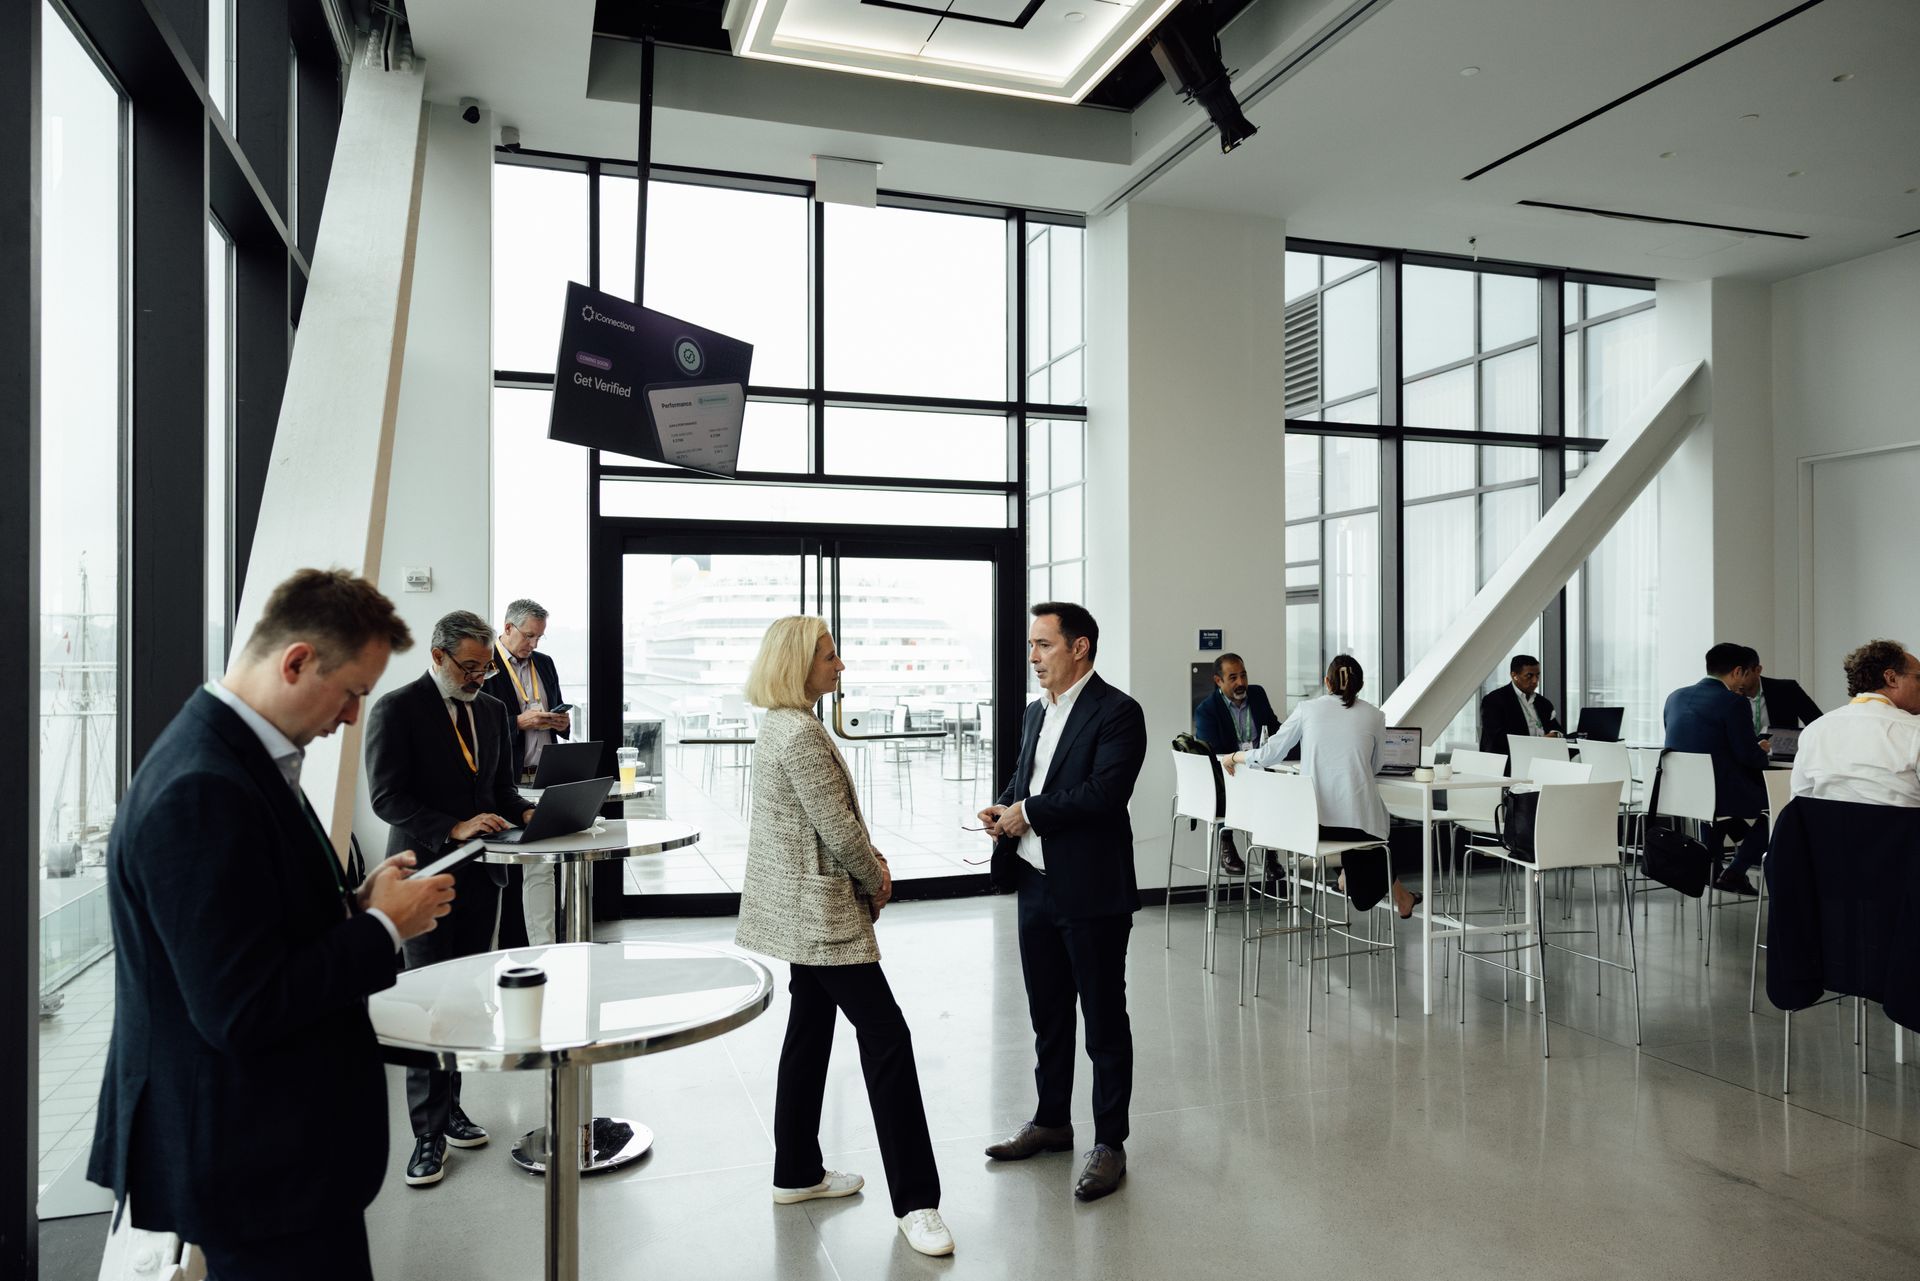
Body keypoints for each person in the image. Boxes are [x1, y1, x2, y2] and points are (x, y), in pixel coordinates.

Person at [86, 569, 456, 1281]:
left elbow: (255, 924)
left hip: (272, 1154)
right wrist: (382, 927)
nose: (352, 716)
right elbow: (242, 1006)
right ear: (296, 661)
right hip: (254, 1164)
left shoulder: (235, 756)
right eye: (350, 691)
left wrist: (354, 905)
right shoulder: (201, 787)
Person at [733, 616, 953, 1257]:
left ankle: (796, 1172)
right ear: (797, 665)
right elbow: (839, 829)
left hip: (803, 909)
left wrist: (868, 866)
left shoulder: (781, 724)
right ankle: (918, 1203)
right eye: (829, 656)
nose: (840, 664)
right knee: (888, 1039)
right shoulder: (800, 734)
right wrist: (877, 876)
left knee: (809, 1032)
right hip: (822, 916)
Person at [978, 602, 1148, 1203]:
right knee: (1048, 1015)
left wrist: (1030, 812)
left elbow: (1104, 794)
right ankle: (1052, 1121)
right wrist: (1005, 807)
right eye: (1031, 645)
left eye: (1044, 645)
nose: (1033, 656)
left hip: (1091, 890)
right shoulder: (1036, 712)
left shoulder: (1118, 712)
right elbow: (1027, 778)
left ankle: (1110, 1144)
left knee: (1103, 1022)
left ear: (1080, 647)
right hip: (1036, 885)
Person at [365, 609, 534, 1188]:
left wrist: (530, 814)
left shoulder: (491, 710)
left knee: (462, 1003)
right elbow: (387, 797)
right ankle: (428, 1134)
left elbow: (501, 790)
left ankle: (452, 1109)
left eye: (486, 668)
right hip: (423, 876)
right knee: (428, 1007)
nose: (479, 677)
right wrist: (453, 827)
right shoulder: (397, 709)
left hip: (482, 878)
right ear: (437, 656)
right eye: (470, 667)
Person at [1219, 655, 1421, 917]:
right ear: (1360, 685)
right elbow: (1375, 766)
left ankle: (1355, 877)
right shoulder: (1375, 715)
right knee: (1370, 832)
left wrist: (1234, 756)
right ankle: (1364, 882)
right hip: (1362, 830)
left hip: (1314, 827)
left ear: (1327, 682)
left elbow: (1269, 755)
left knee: (1351, 837)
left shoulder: (1307, 709)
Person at [481, 598, 570, 948]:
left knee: (542, 865)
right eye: (529, 636)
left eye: (539, 637)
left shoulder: (544, 664)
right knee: (499, 867)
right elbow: (477, 725)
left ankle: (545, 948)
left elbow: (558, 712)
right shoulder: (485, 664)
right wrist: (518, 722)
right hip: (506, 782)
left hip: (545, 777)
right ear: (507, 628)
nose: (533, 644)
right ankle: (494, 949)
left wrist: (561, 722)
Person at [1662, 642, 1770, 896]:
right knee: (1781, 806)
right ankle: (1736, 870)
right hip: (1719, 794)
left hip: (1684, 793)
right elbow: (1748, 756)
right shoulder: (1733, 702)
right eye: (1745, 675)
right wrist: (1762, 750)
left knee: (1721, 806)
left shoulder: (1675, 697)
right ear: (1737, 671)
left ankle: (1713, 866)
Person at [1791, 639, 1920, 806]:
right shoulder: (1914, 730)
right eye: (1918, 677)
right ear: (1891, 678)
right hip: (1901, 823)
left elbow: (1800, 803)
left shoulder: (1814, 730)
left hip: (1829, 824)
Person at [1192, 653, 1281, 876]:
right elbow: (1212, 753)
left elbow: (1274, 729)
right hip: (1230, 773)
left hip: (1260, 768)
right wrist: (1240, 758)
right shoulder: (1206, 710)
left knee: (1278, 786)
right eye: (1233, 678)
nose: (1241, 682)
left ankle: (1269, 852)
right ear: (1218, 681)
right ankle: (1226, 843)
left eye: (1243, 675)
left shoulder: (1258, 695)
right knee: (1237, 781)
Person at [1478, 654, 1563, 757]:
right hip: (1510, 758)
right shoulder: (1494, 700)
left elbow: (1557, 729)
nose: (1535, 681)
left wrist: (1555, 734)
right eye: (1529, 676)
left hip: (1543, 755)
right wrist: (1534, 743)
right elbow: (1497, 738)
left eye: (1537, 675)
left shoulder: (1543, 702)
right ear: (1514, 675)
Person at [1743, 646, 1826, 734]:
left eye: (1744, 674)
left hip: (1781, 742)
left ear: (1758, 670)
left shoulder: (1787, 690)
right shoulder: (1733, 696)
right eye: (1736, 674)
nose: (1739, 679)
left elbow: (1819, 723)